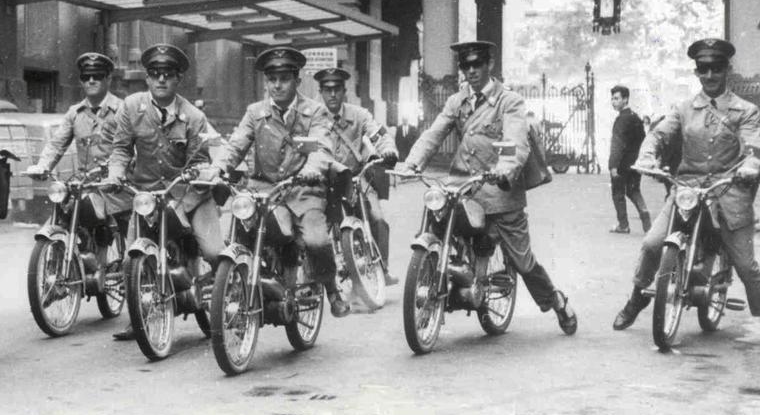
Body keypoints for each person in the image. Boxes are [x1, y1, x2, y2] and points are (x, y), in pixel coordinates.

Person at [403, 41, 578, 335]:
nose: (470, 71)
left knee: (523, 262)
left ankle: (557, 301)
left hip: (499, 191)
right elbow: (434, 133)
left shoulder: (509, 102)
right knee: (436, 216)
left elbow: (514, 144)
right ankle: (443, 275)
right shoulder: (457, 101)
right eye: (465, 66)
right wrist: (412, 163)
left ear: (489, 65)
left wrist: (504, 171)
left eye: (476, 65)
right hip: (463, 185)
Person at [612, 39, 760, 331]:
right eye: (703, 69)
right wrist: (647, 157)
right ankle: (637, 296)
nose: (709, 75)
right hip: (687, 191)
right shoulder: (684, 108)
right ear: (696, 72)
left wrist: (750, 165)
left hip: (728, 192)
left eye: (715, 68)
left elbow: (753, 144)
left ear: (726, 69)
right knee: (652, 244)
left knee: (746, 266)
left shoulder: (745, 110)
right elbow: (658, 135)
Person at [212, 47, 351, 318]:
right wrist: (218, 167)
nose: (277, 85)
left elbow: (323, 149)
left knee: (315, 240)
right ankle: (237, 284)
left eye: (284, 78)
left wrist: (311, 169)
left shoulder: (316, 112)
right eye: (271, 79)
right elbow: (236, 144)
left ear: (297, 81)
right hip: (264, 190)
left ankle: (332, 289)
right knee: (241, 229)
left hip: (302, 191)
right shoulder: (255, 112)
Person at [106, 43, 217, 340]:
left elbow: (202, 159)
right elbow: (119, 149)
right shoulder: (131, 107)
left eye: (168, 74)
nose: (161, 80)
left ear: (178, 78)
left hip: (187, 195)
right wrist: (116, 173)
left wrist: (198, 173)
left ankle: (221, 301)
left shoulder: (193, 116)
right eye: (155, 74)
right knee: (131, 259)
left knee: (214, 251)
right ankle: (138, 316)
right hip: (147, 196)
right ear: (147, 78)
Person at [25, 51, 129, 278]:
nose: (91, 81)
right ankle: (59, 268)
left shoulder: (122, 110)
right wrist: (43, 166)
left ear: (108, 79)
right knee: (63, 211)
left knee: (130, 237)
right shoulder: (75, 113)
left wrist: (116, 172)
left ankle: (133, 276)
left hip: (115, 186)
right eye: (86, 77)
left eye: (97, 76)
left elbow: (132, 147)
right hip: (85, 184)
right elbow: (56, 144)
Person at [314, 66, 400, 286]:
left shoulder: (359, 115)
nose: (332, 94)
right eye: (327, 89)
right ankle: (313, 277)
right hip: (325, 179)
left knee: (378, 219)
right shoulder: (312, 117)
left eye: (336, 89)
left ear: (345, 92)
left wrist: (388, 149)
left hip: (356, 176)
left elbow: (379, 134)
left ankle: (382, 268)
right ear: (321, 92)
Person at [607, 84, 651, 234]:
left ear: (625, 99)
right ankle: (646, 220)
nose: (613, 102)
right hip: (635, 163)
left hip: (621, 165)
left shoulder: (621, 120)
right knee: (634, 191)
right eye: (612, 98)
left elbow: (617, 145)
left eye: (617, 98)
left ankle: (623, 225)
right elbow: (644, 139)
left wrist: (613, 166)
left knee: (618, 193)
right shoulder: (635, 117)